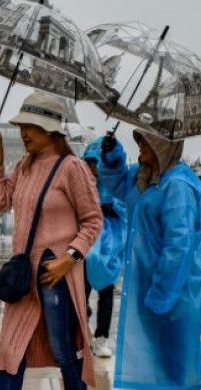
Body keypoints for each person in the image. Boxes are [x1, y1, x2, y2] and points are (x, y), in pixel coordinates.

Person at [0, 92, 103, 390]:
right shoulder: (25, 164)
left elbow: (93, 220)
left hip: (55, 273)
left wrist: (70, 258)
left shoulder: (71, 168)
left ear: (50, 129)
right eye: (21, 125)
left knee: (64, 351)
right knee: (12, 349)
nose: (23, 132)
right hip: (24, 274)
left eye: (30, 126)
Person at [98, 129, 201, 389]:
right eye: (138, 139)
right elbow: (116, 185)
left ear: (163, 143)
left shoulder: (177, 185)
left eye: (145, 140)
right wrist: (111, 153)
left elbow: (178, 245)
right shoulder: (145, 177)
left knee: (172, 365)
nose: (139, 145)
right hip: (147, 284)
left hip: (172, 290)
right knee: (153, 361)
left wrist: (162, 293)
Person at [80, 135, 128, 359]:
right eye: (89, 164)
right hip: (88, 240)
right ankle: (82, 330)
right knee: (82, 289)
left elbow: (126, 206)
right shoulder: (82, 184)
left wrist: (109, 207)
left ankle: (101, 337)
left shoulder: (116, 183)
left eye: (96, 163)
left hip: (110, 242)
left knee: (106, 291)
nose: (93, 169)